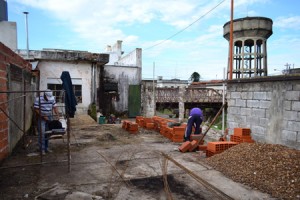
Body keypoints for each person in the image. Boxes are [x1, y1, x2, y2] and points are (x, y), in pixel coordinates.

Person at [34, 89, 59, 154]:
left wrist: (57, 114)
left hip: (49, 116)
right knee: (42, 133)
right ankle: (41, 149)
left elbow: (55, 107)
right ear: (44, 95)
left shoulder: (52, 98)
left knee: (48, 133)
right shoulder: (38, 99)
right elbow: (36, 109)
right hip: (41, 117)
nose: (48, 99)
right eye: (47, 98)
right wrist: (43, 116)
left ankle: (46, 147)